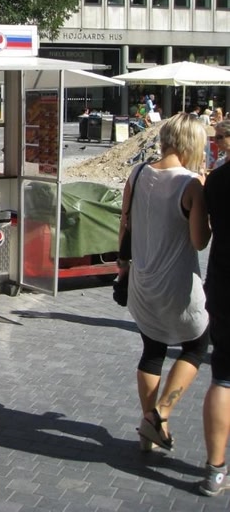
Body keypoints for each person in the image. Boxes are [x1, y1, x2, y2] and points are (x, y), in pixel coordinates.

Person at [118, 112, 211, 452]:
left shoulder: (137, 173)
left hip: (142, 281)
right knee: (197, 346)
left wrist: (122, 268)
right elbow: (200, 241)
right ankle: (160, 414)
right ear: (192, 144)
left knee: (153, 350)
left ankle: (149, 430)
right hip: (177, 286)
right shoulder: (191, 185)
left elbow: (124, 224)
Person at [200, 149, 230, 496]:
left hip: (225, 288)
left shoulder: (218, 181)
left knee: (223, 379)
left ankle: (215, 469)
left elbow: (203, 236)